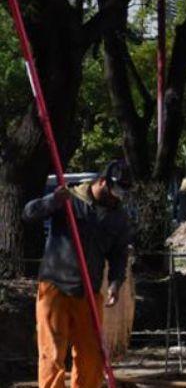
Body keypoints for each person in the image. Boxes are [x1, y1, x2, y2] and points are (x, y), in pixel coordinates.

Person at [23, 160, 134, 388]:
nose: (117, 198)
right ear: (102, 181)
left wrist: (115, 282)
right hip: (55, 287)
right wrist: (53, 200)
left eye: (121, 193)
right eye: (114, 191)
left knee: (91, 357)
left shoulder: (118, 217)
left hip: (88, 292)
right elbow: (28, 213)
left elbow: (118, 253)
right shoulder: (70, 201)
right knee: (52, 354)